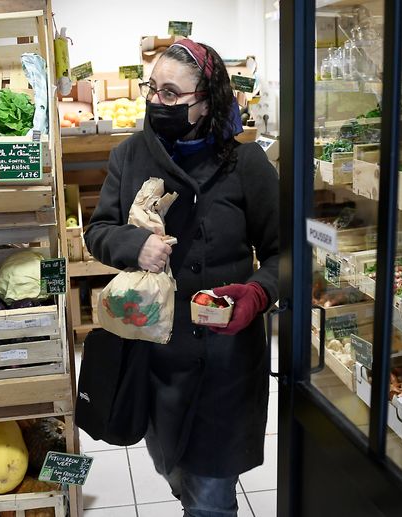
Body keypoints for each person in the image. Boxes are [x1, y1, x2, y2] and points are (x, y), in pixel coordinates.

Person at [85, 38, 279, 516]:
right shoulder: (129, 156)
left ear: (206, 101)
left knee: (210, 496)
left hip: (224, 364)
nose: (156, 101)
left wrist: (256, 294)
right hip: (152, 354)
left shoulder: (246, 165)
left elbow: (287, 254)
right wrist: (136, 245)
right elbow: (98, 232)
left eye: (171, 94)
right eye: (152, 89)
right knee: (172, 468)